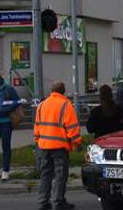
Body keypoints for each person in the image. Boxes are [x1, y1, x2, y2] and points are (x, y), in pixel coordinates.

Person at [34, 81, 82, 210]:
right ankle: (58, 201)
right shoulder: (66, 105)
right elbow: (72, 127)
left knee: (45, 174)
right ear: (63, 91)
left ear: (52, 91)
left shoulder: (42, 105)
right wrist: (77, 143)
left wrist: (38, 141)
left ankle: (43, 202)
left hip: (44, 146)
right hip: (59, 147)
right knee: (61, 175)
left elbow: (37, 126)